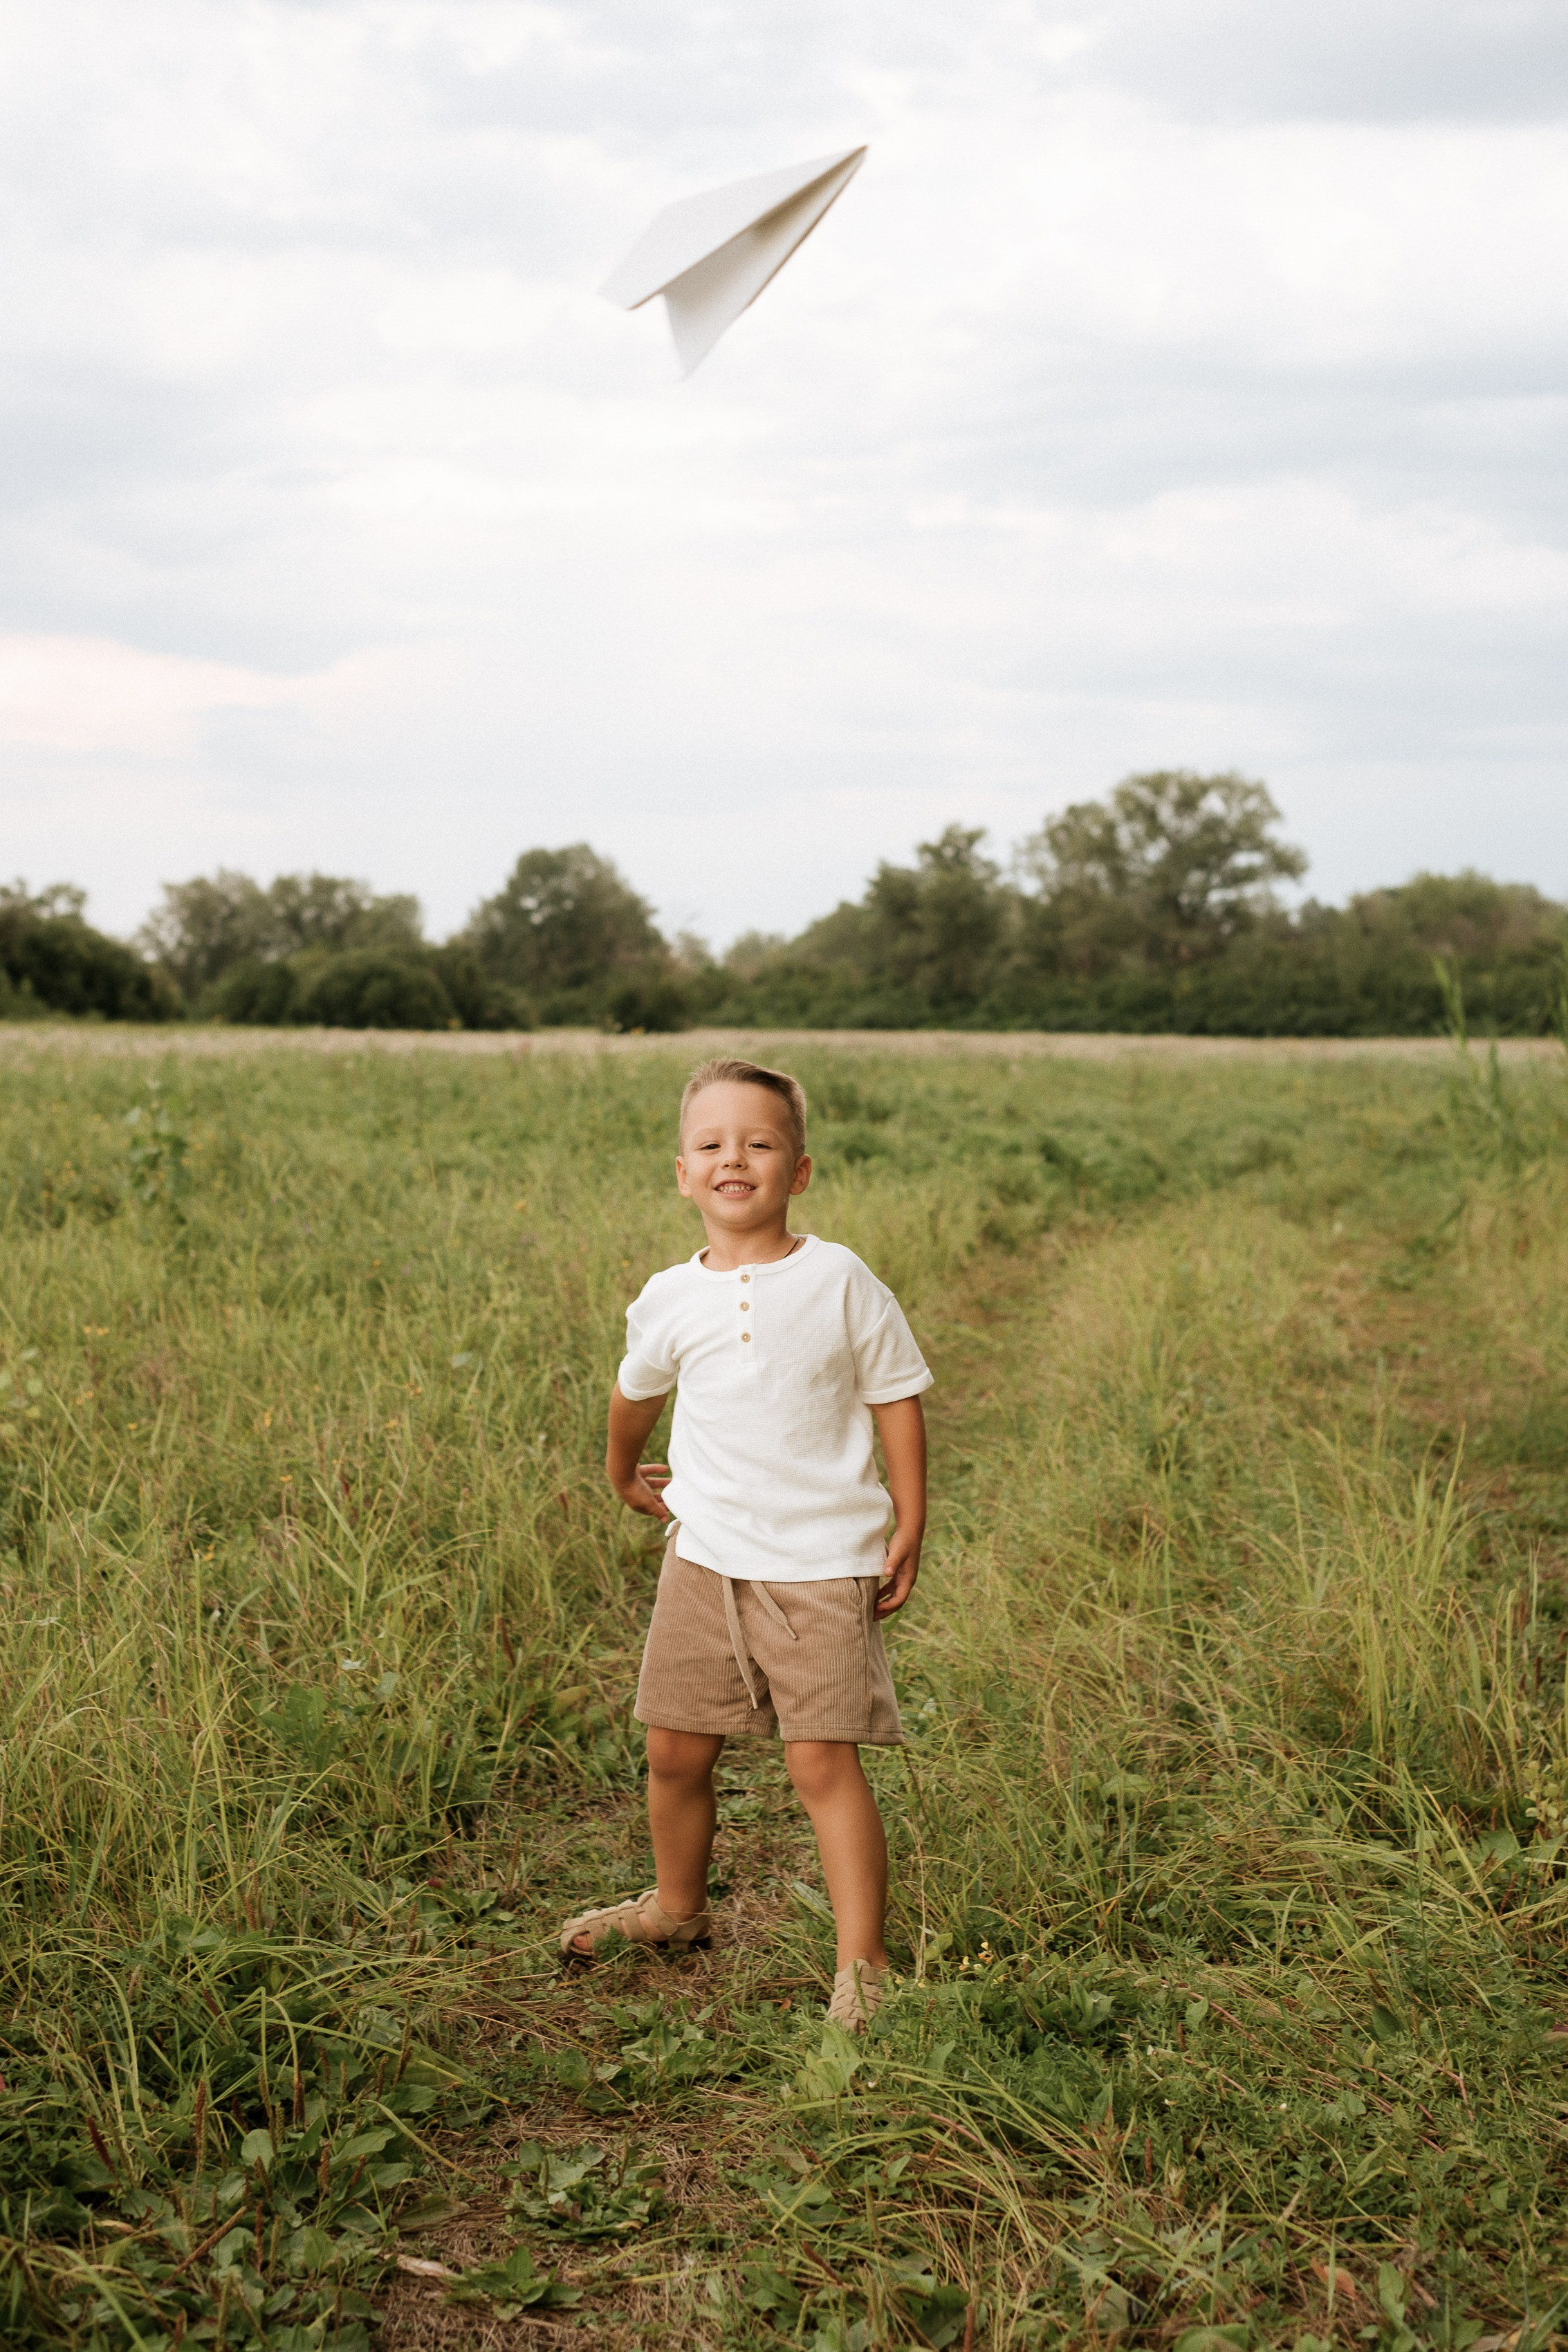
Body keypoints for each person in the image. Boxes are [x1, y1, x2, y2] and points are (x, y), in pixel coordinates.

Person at [557, 1056, 931, 2030]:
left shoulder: (839, 1278)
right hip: (706, 1557)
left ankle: (864, 1964)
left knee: (821, 1766)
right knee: (675, 1751)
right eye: (712, 1144)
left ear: (797, 1170)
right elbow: (635, 1392)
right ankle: (676, 1910)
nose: (735, 1159)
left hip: (822, 1562)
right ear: (682, 1173)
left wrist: (910, 1516)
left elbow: (896, 1395)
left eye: (759, 1143)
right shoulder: (669, 1296)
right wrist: (620, 1471)